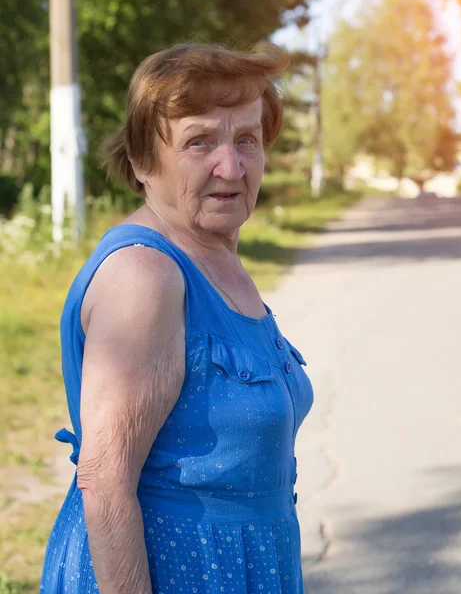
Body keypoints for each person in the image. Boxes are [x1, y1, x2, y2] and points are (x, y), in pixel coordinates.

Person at [40, 42, 313, 594]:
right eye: (199, 141)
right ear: (143, 161)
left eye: (247, 139)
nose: (231, 166)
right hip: (172, 571)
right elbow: (104, 479)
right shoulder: (146, 276)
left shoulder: (215, 258)